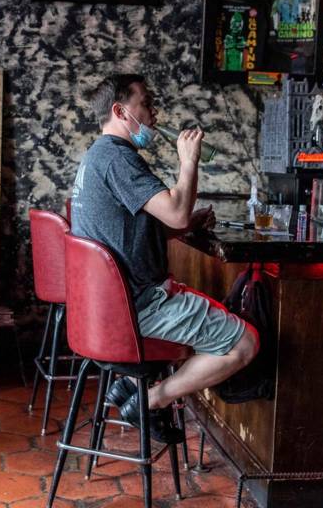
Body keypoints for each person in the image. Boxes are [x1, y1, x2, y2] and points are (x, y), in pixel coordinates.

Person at [69, 74, 259, 442]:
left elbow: (135, 226)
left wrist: (177, 229)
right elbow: (175, 212)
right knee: (245, 343)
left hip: (106, 309)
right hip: (138, 307)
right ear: (121, 111)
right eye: (147, 104)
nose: (154, 113)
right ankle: (149, 399)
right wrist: (189, 162)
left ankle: (130, 389)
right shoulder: (118, 159)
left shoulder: (99, 156)